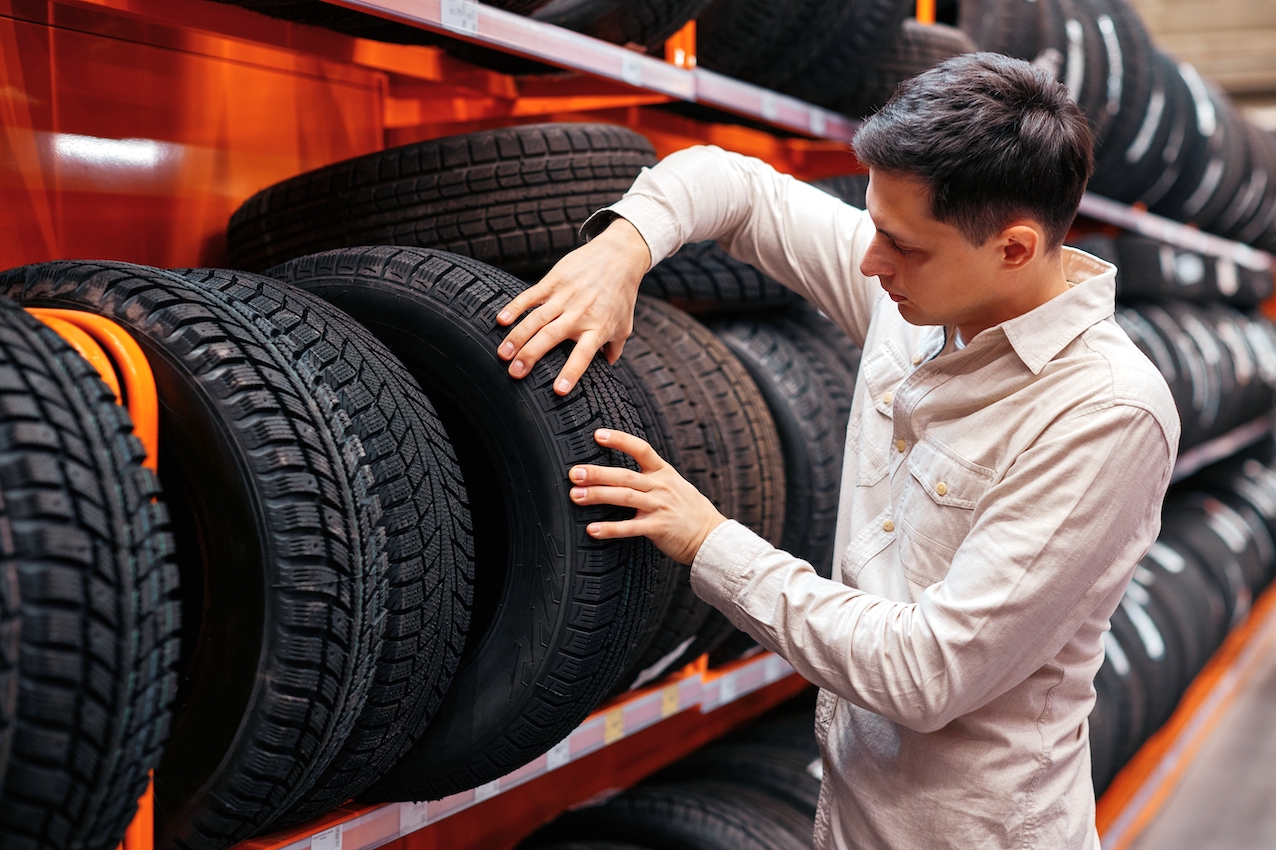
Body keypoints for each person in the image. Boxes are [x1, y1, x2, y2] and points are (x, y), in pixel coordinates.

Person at [494, 52, 1179, 849]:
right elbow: (737, 188)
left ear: (1015, 249)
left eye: (902, 245)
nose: (868, 260)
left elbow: (928, 672)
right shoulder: (926, 298)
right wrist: (623, 248)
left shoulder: (1105, 415)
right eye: (874, 225)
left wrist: (709, 542)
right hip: (849, 820)